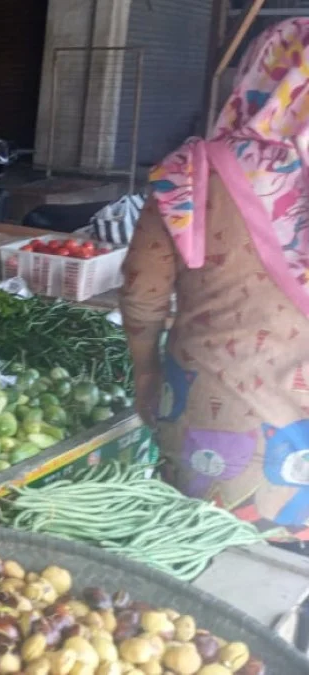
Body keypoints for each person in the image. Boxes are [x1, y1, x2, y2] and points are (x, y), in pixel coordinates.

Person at [121, 17, 309, 540]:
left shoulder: (193, 172)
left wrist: (144, 374)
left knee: (200, 579)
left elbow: (143, 296)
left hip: (214, 427)